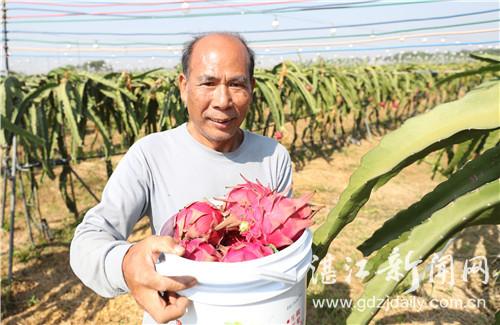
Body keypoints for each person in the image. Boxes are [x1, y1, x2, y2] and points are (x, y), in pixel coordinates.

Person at [70, 32, 293, 324]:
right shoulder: (150, 155)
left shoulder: (273, 156)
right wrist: (126, 263)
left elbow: (282, 250)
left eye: (237, 84)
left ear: (252, 88)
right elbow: (87, 241)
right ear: (184, 86)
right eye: (208, 83)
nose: (223, 101)